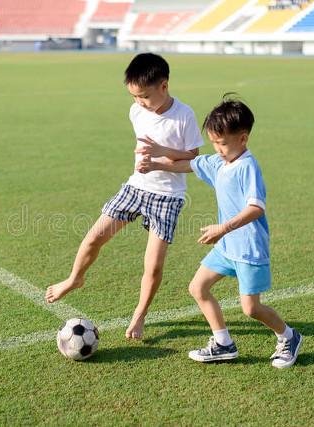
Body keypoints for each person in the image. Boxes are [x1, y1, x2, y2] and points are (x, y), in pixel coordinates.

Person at [45, 53, 204, 340]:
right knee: (94, 236)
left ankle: (139, 316)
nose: (139, 102)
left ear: (164, 87)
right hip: (135, 187)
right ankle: (74, 278)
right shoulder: (136, 112)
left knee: (153, 265)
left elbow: (193, 159)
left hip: (167, 197)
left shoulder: (184, 116)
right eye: (134, 96)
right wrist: (147, 162)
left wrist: (158, 157)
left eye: (144, 96)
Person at [136, 95, 302, 368]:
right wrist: (155, 162)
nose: (218, 148)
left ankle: (288, 336)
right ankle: (223, 342)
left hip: (248, 248)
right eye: (214, 142)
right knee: (198, 287)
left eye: (222, 143)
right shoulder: (218, 162)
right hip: (226, 247)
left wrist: (223, 228)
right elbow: (189, 163)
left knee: (251, 308)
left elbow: (256, 208)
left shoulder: (247, 166)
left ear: (243, 139)